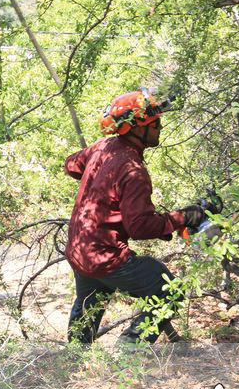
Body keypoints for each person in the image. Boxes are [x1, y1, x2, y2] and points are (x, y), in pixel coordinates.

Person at [64, 89, 211, 344]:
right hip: (106, 256)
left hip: (79, 250)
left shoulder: (103, 146)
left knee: (88, 307)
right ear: (136, 129)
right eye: (155, 124)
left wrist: (99, 182)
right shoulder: (134, 171)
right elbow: (140, 227)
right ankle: (130, 347)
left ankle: (74, 359)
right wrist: (182, 218)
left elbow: (71, 164)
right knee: (170, 291)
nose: (160, 128)